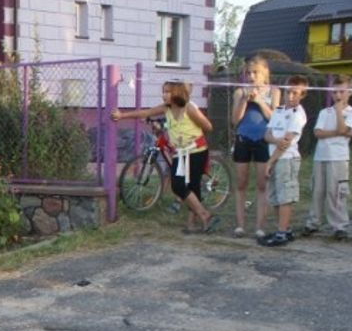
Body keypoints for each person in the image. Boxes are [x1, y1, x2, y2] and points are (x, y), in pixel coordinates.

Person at [112, 80, 220, 233]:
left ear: (177, 93)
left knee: (192, 187)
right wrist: (122, 115)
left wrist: (190, 138)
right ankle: (204, 216)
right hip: (180, 153)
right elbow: (145, 113)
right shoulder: (166, 108)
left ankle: (195, 222)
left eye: (168, 92)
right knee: (178, 186)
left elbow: (208, 126)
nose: (164, 95)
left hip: (196, 152)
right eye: (163, 91)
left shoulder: (189, 108)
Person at [303, 75, 352, 241]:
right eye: (335, 92)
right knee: (318, 190)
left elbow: (344, 128)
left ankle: (339, 226)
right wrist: (338, 132)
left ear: (349, 93)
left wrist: (339, 112)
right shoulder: (324, 112)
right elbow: (318, 133)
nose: (338, 96)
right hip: (321, 156)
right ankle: (313, 222)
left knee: (335, 192)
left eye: (342, 92)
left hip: (339, 158)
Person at [230, 56, 280, 239]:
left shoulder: (274, 91)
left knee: (261, 184)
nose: (251, 76)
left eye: (255, 72)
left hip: (263, 140)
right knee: (241, 183)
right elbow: (235, 121)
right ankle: (240, 225)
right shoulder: (239, 92)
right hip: (243, 138)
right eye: (248, 73)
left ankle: (260, 226)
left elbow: (274, 117)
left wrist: (259, 100)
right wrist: (244, 100)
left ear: (265, 73)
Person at [258, 75, 309, 248]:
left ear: (302, 95)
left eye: (296, 93)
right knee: (276, 196)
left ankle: (282, 233)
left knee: (285, 196)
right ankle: (283, 229)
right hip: (274, 157)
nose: (291, 96)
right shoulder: (279, 111)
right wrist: (274, 141)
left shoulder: (298, 114)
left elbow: (286, 142)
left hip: (286, 159)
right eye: (289, 92)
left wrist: (270, 162)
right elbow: (267, 135)